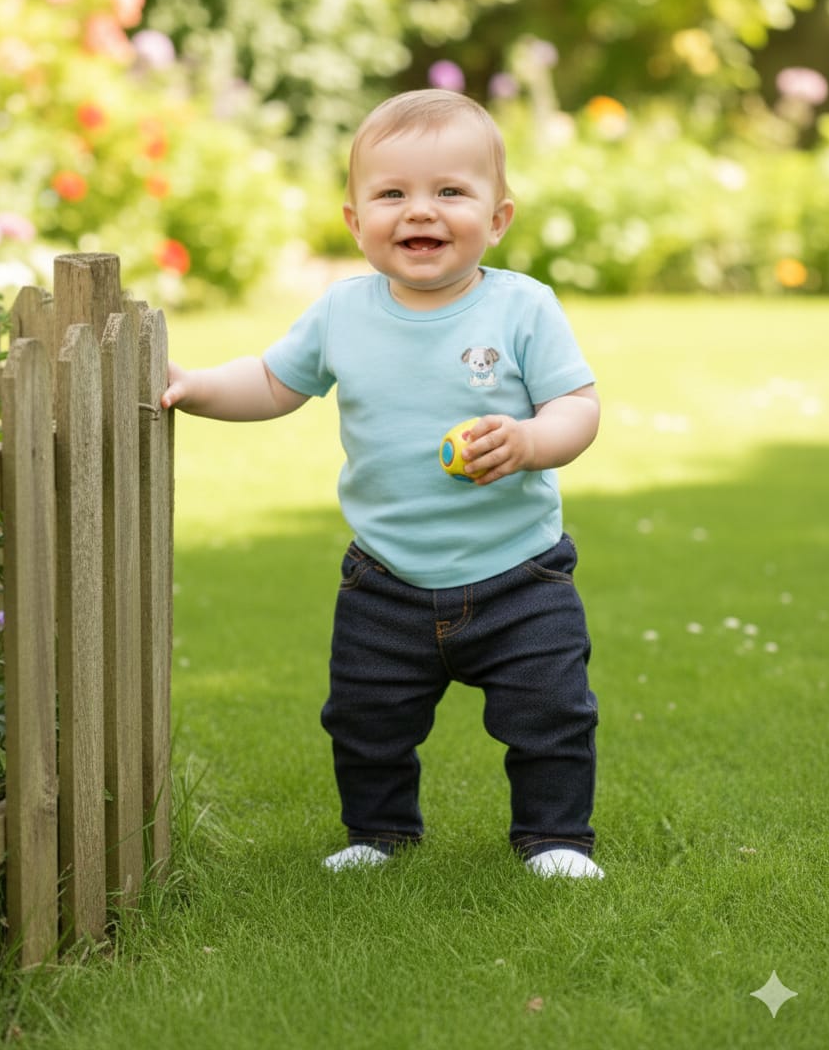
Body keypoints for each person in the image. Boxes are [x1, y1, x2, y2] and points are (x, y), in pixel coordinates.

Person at [162, 89, 604, 879]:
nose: (419, 211)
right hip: (386, 579)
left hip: (519, 573)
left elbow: (578, 406)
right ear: (354, 219)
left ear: (498, 218)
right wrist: (196, 388)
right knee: (365, 719)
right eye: (392, 193)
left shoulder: (522, 308)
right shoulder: (343, 312)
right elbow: (272, 382)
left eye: (450, 191)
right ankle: (379, 833)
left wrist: (530, 441)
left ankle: (554, 838)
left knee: (551, 713)